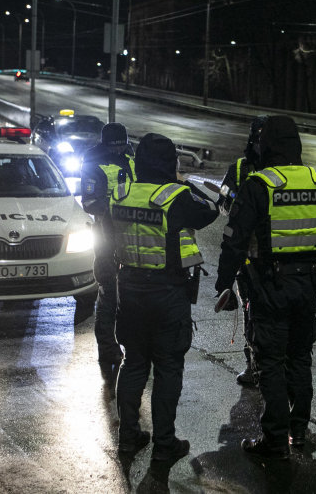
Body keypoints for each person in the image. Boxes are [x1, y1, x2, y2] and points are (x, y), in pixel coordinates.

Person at [215, 115, 316, 459]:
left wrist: (224, 283)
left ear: (266, 143)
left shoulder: (260, 184)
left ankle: (274, 439)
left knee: (270, 361)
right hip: (307, 286)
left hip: (269, 286)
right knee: (300, 358)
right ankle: (298, 431)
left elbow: (234, 240)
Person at [110, 133, 219, 461]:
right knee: (168, 368)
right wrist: (182, 181)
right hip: (166, 293)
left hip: (128, 290)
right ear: (171, 163)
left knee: (133, 364)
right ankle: (164, 444)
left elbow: (105, 239)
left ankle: (128, 437)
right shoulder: (178, 197)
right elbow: (212, 210)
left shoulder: (120, 194)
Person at [81, 122, 135, 384]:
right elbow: (91, 202)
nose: (119, 149)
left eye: (122, 144)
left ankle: (129, 344)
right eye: (115, 145)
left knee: (130, 295)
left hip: (131, 238)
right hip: (106, 237)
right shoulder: (93, 163)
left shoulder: (130, 158)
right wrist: (120, 212)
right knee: (109, 295)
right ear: (106, 144)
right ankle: (107, 348)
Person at [217, 115, 267, 388]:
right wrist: (236, 205)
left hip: (274, 255)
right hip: (247, 255)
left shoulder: (289, 169)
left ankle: (264, 366)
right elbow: (222, 201)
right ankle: (253, 363)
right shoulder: (238, 169)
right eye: (258, 136)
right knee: (251, 310)